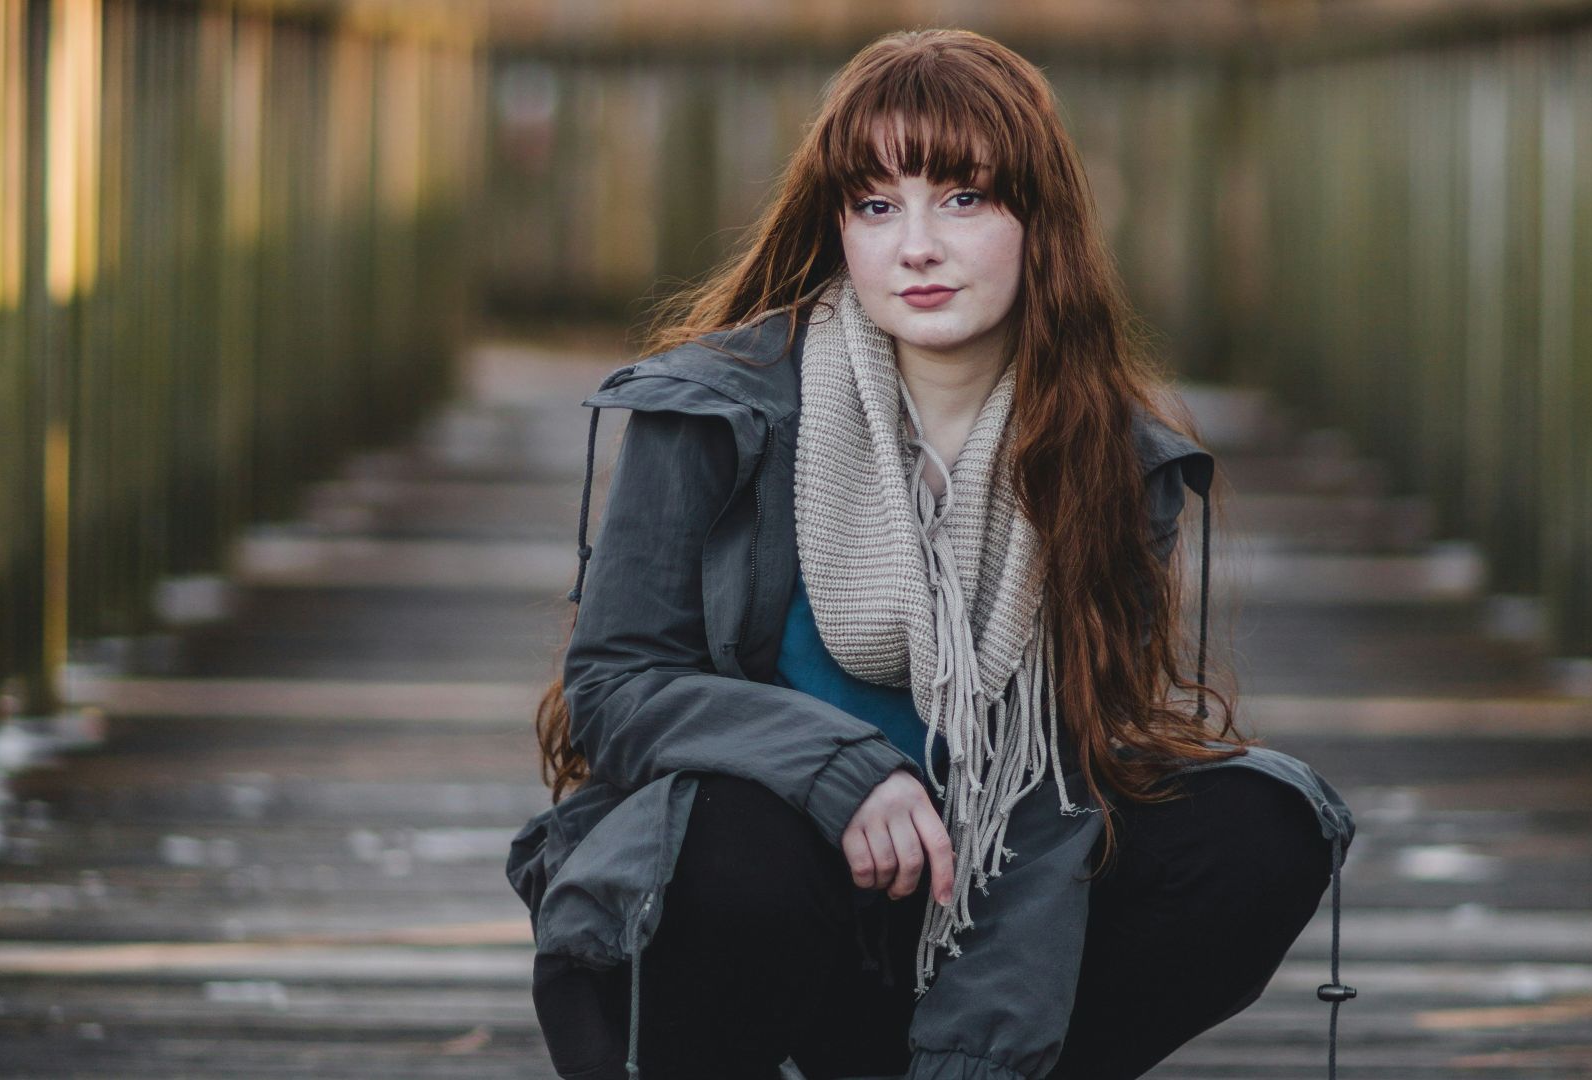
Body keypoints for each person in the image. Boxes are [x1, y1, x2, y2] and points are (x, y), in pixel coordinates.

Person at [506, 27, 1358, 1080]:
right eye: (876, 205)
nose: (916, 246)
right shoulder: (718, 412)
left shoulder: (1106, 459)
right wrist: (841, 773)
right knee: (738, 841)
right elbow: (615, 684)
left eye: (962, 198)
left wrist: (980, 1048)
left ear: (1038, 223)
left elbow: (1063, 777)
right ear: (839, 228)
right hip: (751, 904)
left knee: (1262, 827)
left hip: (978, 894)